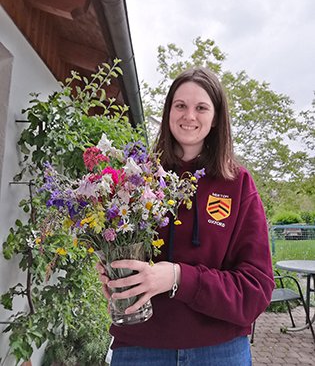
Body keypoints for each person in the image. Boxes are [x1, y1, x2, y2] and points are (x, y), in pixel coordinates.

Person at [96, 67, 274, 366]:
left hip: (220, 349)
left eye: (201, 107)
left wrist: (178, 277)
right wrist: (115, 272)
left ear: (216, 118)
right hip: (140, 345)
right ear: (168, 113)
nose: (189, 116)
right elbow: (118, 244)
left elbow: (256, 288)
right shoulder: (139, 178)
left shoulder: (238, 184)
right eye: (180, 105)